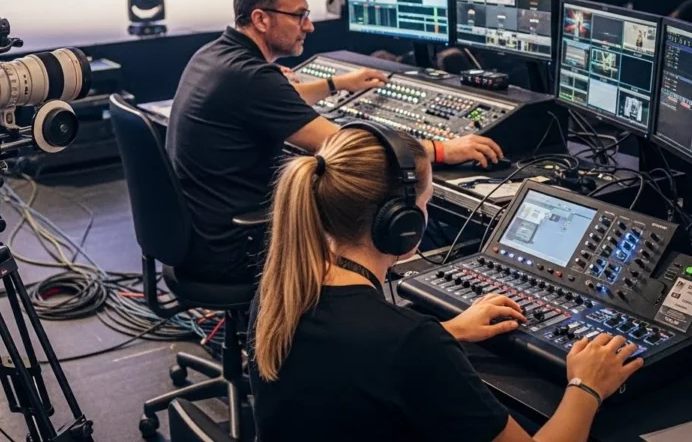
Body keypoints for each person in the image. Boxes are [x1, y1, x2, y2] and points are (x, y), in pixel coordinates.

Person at [249, 128, 645, 441]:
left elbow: (351, 360)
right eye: (426, 203)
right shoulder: (409, 343)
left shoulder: (280, 291)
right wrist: (585, 386)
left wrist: (450, 330)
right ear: (402, 224)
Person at [166, 0, 503, 284]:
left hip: (200, 233)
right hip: (236, 249)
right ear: (261, 19)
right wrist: (444, 149)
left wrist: (338, 84)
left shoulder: (214, 55)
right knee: (358, 225)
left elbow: (283, 97)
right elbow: (351, 147)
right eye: (299, 15)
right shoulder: (252, 78)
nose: (309, 26)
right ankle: (372, 323)